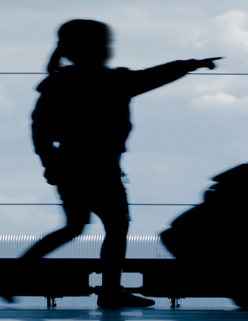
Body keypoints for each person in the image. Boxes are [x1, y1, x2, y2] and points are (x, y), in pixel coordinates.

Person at [21, 19, 221, 309]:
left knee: (75, 226)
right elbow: (154, 76)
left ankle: (19, 269)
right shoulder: (114, 81)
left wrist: (50, 163)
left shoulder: (57, 83)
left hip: (68, 167)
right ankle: (110, 291)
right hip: (101, 169)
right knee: (116, 227)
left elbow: (38, 129)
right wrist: (192, 64)